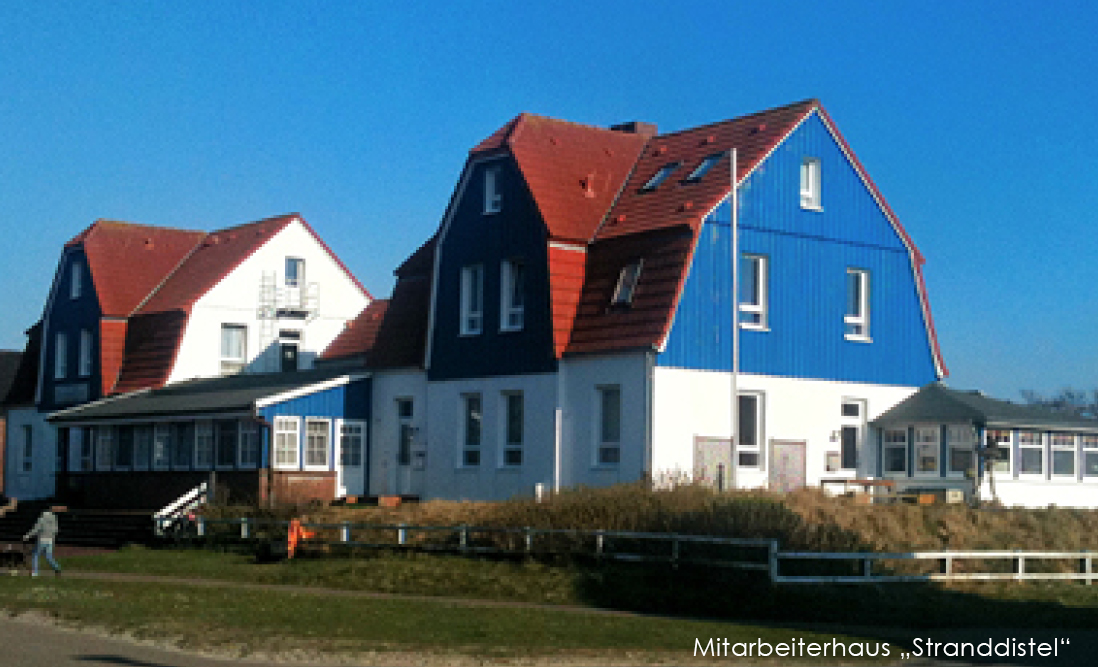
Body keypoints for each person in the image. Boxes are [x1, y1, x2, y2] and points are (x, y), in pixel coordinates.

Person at [23, 507, 62, 577]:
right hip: (51, 540)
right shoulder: (54, 518)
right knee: (48, 556)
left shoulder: (41, 519)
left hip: (42, 540)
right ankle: (57, 568)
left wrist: (27, 536)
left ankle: (35, 572)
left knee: (35, 555)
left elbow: (36, 529)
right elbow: (56, 530)